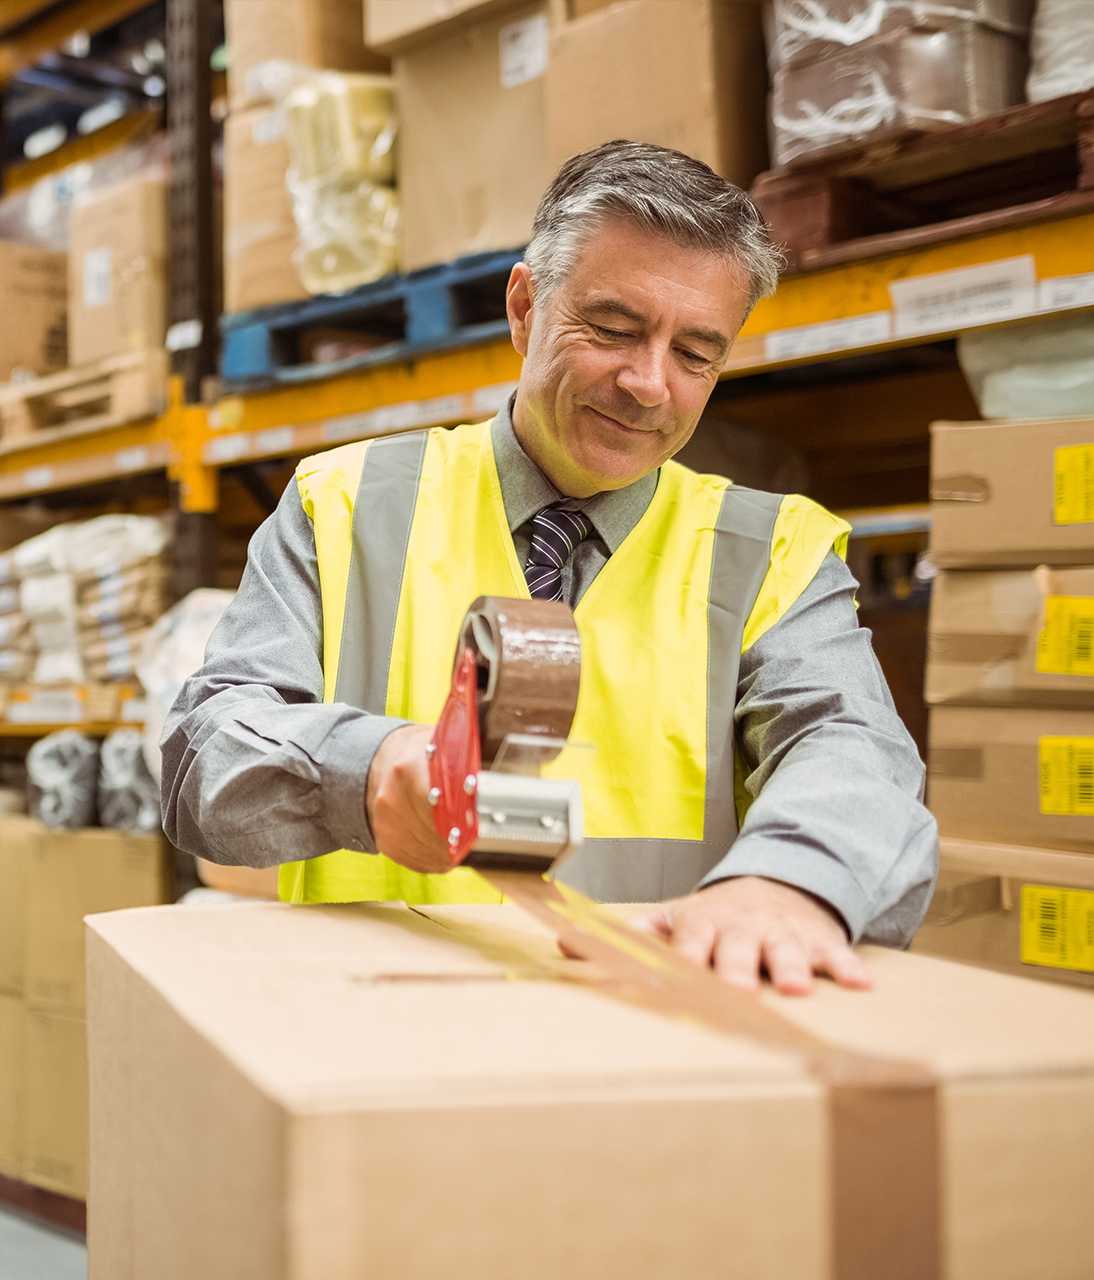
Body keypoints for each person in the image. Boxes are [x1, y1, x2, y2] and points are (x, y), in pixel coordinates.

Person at [162, 140, 937, 997]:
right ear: (526, 309)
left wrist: (792, 881)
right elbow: (206, 755)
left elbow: (854, 748)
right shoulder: (344, 505)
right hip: (381, 1032)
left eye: (696, 354)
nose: (649, 384)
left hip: (657, 1039)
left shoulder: (773, 556)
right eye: (613, 329)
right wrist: (367, 771)